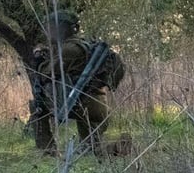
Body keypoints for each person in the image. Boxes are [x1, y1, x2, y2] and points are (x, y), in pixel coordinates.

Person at [31, 10, 125, 155]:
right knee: (90, 150)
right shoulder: (84, 45)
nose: (47, 31)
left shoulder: (68, 49)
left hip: (79, 104)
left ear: (60, 28)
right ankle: (117, 148)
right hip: (97, 105)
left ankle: (48, 151)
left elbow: (45, 74)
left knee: (37, 106)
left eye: (50, 27)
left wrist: (38, 58)